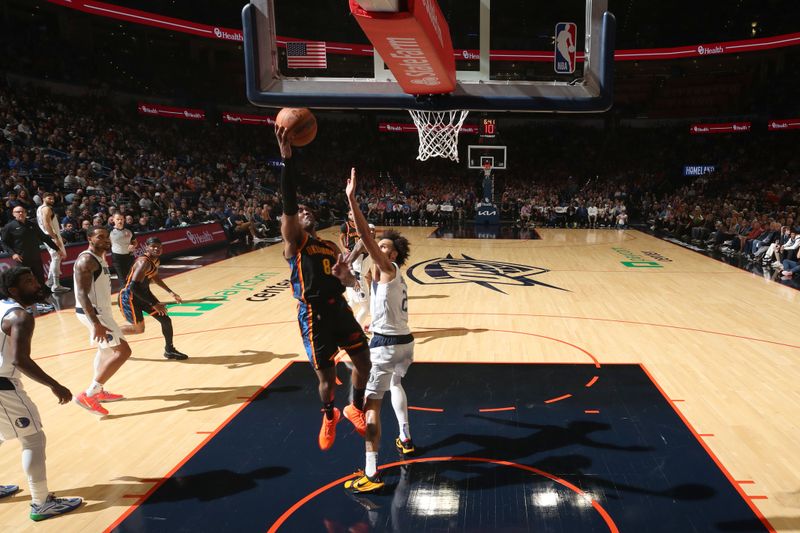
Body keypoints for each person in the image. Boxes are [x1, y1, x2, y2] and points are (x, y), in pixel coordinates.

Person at [275, 125, 371, 451]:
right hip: (313, 315)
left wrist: (347, 276)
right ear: (290, 223)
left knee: (365, 364)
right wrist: (288, 162)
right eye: (299, 212)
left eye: (308, 210)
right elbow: (288, 205)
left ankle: (354, 407)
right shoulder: (296, 244)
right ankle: (329, 414)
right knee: (327, 381)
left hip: (338, 308)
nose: (304, 212)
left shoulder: (328, 246)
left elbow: (342, 278)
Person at [343, 168, 415, 494]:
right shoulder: (383, 275)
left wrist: (352, 199)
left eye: (385, 246)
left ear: (393, 254)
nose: (379, 249)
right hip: (403, 344)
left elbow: (365, 238)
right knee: (396, 384)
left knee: (370, 405)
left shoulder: (387, 266)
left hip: (386, 346)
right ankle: (406, 437)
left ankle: (371, 473)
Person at [0, 266, 83, 520]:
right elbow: (19, 360)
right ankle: (41, 502)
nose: (36, 284)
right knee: (33, 439)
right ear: (14, 290)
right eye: (28, 282)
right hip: (3, 386)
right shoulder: (20, 317)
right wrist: (55, 384)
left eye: (34, 279)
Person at [72, 226, 133, 416]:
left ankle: (98, 391)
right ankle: (89, 394)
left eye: (107, 237)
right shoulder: (86, 260)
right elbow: (82, 294)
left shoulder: (99, 257)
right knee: (123, 351)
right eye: (100, 237)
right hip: (94, 314)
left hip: (100, 312)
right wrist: (96, 323)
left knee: (105, 351)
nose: (106, 240)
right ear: (89, 238)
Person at [118, 237, 189, 360]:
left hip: (144, 295)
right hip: (129, 297)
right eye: (153, 246)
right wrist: (154, 303)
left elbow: (155, 277)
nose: (157, 248)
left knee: (166, 320)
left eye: (159, 247)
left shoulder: (155, 261)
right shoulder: (143, 262)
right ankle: (106, 332)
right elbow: (133, 287)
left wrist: (170, 292)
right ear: (146, 247)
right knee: (139, 329)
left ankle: (169, 350)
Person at [0, 206, 59, 313]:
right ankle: (24, 305)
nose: (21, 213)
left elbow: (43, 237)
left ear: (26, 213)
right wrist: (13, 254)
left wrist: (57, 248)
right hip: (21, 260)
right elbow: (3, 242)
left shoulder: (32, 224)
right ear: (13, 214)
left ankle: (41, 302)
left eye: (23, 211)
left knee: (40, 281)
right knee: (23, 283)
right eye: (18, 212)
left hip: (35, 258)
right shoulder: (9, 227)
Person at [35, 193, 69, 293]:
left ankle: (50, 282)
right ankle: (56, 285)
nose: (52, 200)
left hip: (47, 236)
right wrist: (55, 237)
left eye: (53, 198)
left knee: (56, 258)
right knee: (56, 258)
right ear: (43, 198)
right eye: (49, 198)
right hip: (50, 236)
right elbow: (46, 223)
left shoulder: (39, 209)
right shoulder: (47, 209)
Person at [109, 212, 137, 286]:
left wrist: (133, 245)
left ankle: (133, 296)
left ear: (124, 220)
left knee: (132, 278)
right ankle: (124, 296)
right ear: (113, 220)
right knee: (123, 280)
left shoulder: (129, 229)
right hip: (117, 258)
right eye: (117, 219)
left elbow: (135, 242)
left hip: (129, 256)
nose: (120, 221)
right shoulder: (109, 231)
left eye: (121, 219)